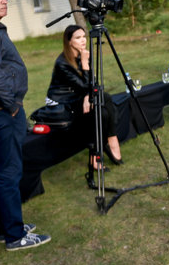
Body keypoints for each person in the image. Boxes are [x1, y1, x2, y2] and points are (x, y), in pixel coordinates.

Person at [0, 0, 51, 251]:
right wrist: (12, 105)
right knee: (10, 172)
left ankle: (6, 229)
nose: (4, 0)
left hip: (3, 108)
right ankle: (15, 236)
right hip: (3, 110)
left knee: (3, 169)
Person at [45, 25, 122, 167]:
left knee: (105, 103)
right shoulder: (62, 63)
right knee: (100, 110)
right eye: (78, 38)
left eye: (84, 37)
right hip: (61, 101)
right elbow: (84, 85)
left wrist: (88, 96)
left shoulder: (84, 54)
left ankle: (111, 139)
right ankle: (98, 151)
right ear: (69, 42)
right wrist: (86, 63)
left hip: (78, 95)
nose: (83, 41)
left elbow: (93, 83)